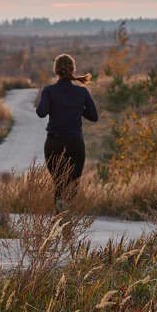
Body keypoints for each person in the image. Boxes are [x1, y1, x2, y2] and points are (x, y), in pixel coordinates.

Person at [36, 53, 99, 212]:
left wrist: (52, 104)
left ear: (56, 70)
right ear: (73, 69)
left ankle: (59, 220)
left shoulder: (49, 91)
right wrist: (76, 109)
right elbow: (94, 117)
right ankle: (69, 220)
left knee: (59, 183)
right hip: (75, 144)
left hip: (54, 143)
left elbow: (41, 113)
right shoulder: (82, 92)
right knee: (73, 183)